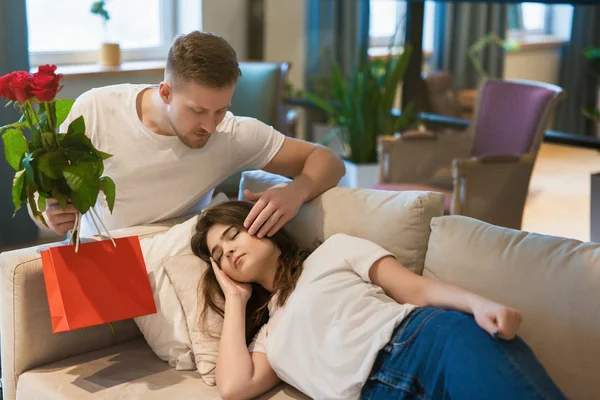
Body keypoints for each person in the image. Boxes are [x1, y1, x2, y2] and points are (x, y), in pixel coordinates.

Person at [190, 201, 566, 400]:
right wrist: (236, 300)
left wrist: (479, 305)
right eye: (219, 255)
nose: (229, 252)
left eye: (234, 234)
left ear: (262, 225)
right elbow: (234, 388)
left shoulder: (333, 250)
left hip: (426, 345)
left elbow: (414, 289)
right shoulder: (266, 337)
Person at [31, 31, 344, 237]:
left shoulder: (231, 134)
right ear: (166, 92)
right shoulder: (96, 109)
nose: (210, 125)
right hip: (105, 259)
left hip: (174, 256)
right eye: (197, 111)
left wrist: (296, 191)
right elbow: (39, 193)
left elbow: (328, 160)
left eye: (220, 109)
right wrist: (47, 215)